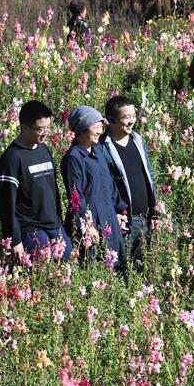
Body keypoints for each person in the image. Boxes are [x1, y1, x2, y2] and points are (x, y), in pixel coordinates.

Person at [0, 100, 71, 262]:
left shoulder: (44, 149)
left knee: (66, 263)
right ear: (24, 127)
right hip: (30, 228)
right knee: (41, 271)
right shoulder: (12, 158)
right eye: (39, 129)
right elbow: (5, 204)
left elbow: (52, 190)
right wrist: (14, 239)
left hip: (53, 224)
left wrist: (59, 220)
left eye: (47, 128)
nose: (45, 133)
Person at [61, 105, 128, 268]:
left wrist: (118, 210)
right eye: (96, 127)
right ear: (82, 129)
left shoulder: (97, 150)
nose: (100, 131)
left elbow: (109, 184)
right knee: (95, 267)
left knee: (116, 267)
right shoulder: (73, 158)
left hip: (108, 217)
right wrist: (87, 224)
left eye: (101, 126)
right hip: (92, 221)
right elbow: (76, 196)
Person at [99, 96, 157, 267]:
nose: (132, 121)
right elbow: (102, 186)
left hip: (145, 218)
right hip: (123, 222)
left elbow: (150, 175)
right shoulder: (102, 147)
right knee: (120, 269)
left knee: (142, 268)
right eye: (126, 117)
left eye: (133, 115)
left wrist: (155, 210)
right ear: (110, 120)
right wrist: (112, 214)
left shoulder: (138, 141)